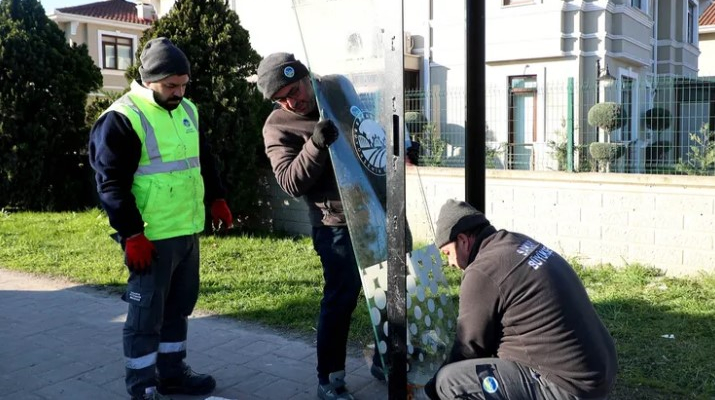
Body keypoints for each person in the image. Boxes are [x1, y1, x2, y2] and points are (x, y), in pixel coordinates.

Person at [89, 37, 234, 400]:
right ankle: (143, 387)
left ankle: (172, 375)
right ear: (148, 79)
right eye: (171, 86)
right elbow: (111, 185)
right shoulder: (122, 119)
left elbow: (204, 159)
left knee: (177, 309)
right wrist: (132, 234)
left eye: (184, 85)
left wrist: (217, 198)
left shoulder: (188, 110)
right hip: (150, 239)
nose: (179, 92)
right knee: (145, 317)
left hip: (185, 229)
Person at [257, 52, 389, 400]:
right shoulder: (277, 125)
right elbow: (289, 181)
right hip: (335, 226)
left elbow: (368, 131)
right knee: (341, 300)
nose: (292, 100)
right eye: (281, 97)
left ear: (306, 76)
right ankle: (329, 379)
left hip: (374, 210)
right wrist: (315, 144)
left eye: (294, 89)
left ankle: (388, 359)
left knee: (390, 291)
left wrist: (399, 148)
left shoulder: (336, 88)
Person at [425, 199, 617, 400]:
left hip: (568, 387)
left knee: (448, 382)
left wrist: (429, 391)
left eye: (447, 253)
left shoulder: (483, 270)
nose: (451, 263)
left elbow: (468, 348)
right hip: (599, 370)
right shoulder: (517, 242)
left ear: (463, 241)